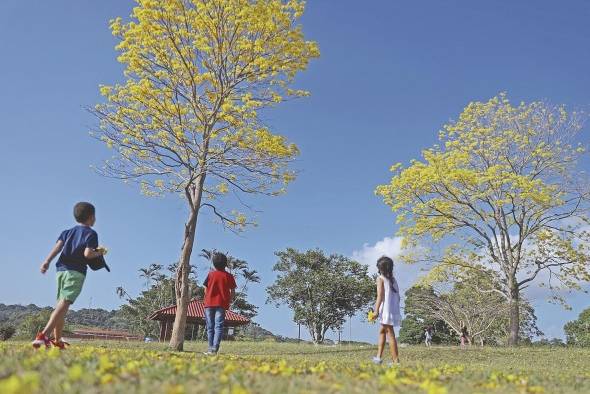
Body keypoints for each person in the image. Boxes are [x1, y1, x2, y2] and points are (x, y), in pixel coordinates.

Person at [32, 202, 106, 349]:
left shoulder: (67, 232)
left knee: (61, 305)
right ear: (91, 217)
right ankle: (43, 336)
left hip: (60, 270)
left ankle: (57, 341)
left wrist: (46, 261)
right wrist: (100, 252)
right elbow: (88, 254)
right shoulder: (91, 233)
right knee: (65, 303)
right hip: (76, 271)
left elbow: (58, 247)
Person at [202, 252, 236, 355]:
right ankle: (214, 349)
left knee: (210, 327)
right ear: (225, 264)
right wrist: (229, 300)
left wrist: (209, 295)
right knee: (218, 326)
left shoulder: (210, 274)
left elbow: (205, 288)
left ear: (214, 264)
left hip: (209, 304)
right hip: (221, 304)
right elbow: (233, 291)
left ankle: (210, 348)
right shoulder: (229, 276)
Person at [372, 256, 401, 366]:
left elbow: (380, 296)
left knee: (390, 334)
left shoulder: (380, 279)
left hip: (385, 310)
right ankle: (378, 358)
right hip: (392, 310)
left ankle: (396, 362)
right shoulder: (393, 280)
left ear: (380, 268)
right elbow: (398, 297)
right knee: (382, 331)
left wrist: (376, 311)